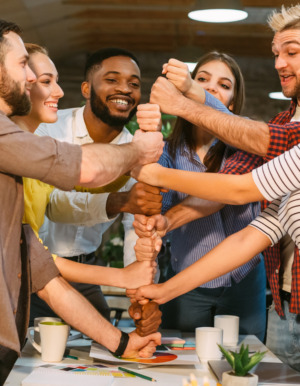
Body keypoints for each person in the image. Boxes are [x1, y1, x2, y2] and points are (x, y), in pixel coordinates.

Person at [131, 4, 300, 371]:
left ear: (235, 98)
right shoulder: (283, 124)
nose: (279, 64)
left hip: (247, 284)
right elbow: (249, 228)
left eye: (292, 52)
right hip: (276, 302)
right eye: (276, 54)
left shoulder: (270, 139)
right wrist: (163, 285)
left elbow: (237, 189)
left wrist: (185, 98)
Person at [0, 20, 162, 383]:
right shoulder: (21, 137)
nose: (56, 89)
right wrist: (139, 150)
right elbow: (84, 168)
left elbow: (39, 265)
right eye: (26, 67)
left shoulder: (19, 155)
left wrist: (122, 343)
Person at [129, 142, 300, 371]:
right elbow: (245, 241)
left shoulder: (266, 143)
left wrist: (159, 175)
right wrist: (164, 291)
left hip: (250, 283)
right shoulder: (292, 160)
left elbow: (238, 190)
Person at [32, 47, 162, 326]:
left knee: (101, 350)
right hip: (34, 266)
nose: (125, 89)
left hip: (87, 269)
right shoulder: (48, 128)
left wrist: (140, 296)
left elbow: (135, 230)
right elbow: (54, 203)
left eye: (134, 84)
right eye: (112, 80)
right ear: (86, 88)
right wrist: (119, 201)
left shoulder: (140, 149)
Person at [145, 52, 266, 337]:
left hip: (244, 278)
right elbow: (157, 206)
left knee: (244, 360)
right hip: (188, 280)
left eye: (224, 85)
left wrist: (191, 89)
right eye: (202, 80)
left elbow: (226, 191)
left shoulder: (246, 143)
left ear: (232, 103)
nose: (211, 88)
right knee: (185, 360)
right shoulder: (169, 150)